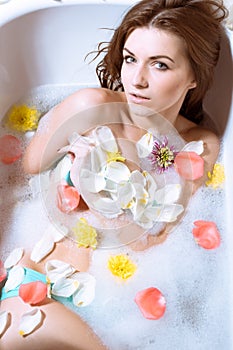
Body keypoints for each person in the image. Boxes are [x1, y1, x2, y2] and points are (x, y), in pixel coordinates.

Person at [0, 1, 228, 349]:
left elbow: (152, 236)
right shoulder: (89, 107)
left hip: (111, 309)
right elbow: (29, 165)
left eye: (160, 65)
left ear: (194, 76)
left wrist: (91, 185)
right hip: (35, 286)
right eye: (131, 58)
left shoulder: (198, 145)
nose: (136, 79)